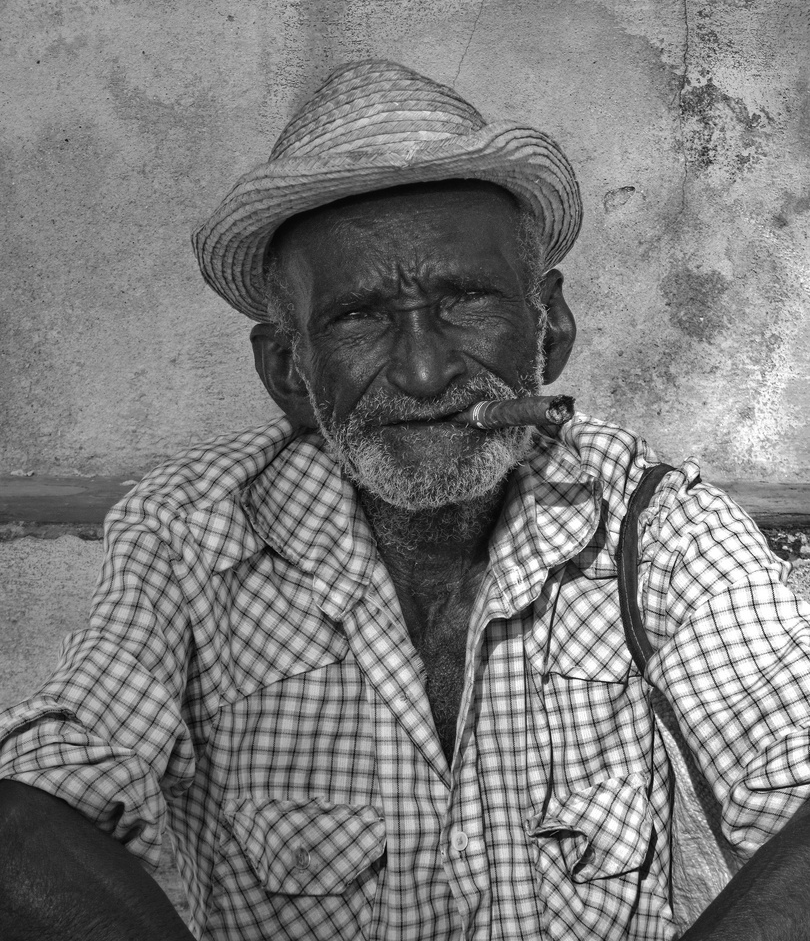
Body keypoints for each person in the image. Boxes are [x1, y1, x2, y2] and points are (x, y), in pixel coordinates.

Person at [1, 59, 809, 941]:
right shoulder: (191, 531)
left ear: (552, 327)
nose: (424, 374)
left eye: (463, 302)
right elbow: (37, 808)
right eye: (359, 317)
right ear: (287, 369)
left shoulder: (656, 527)